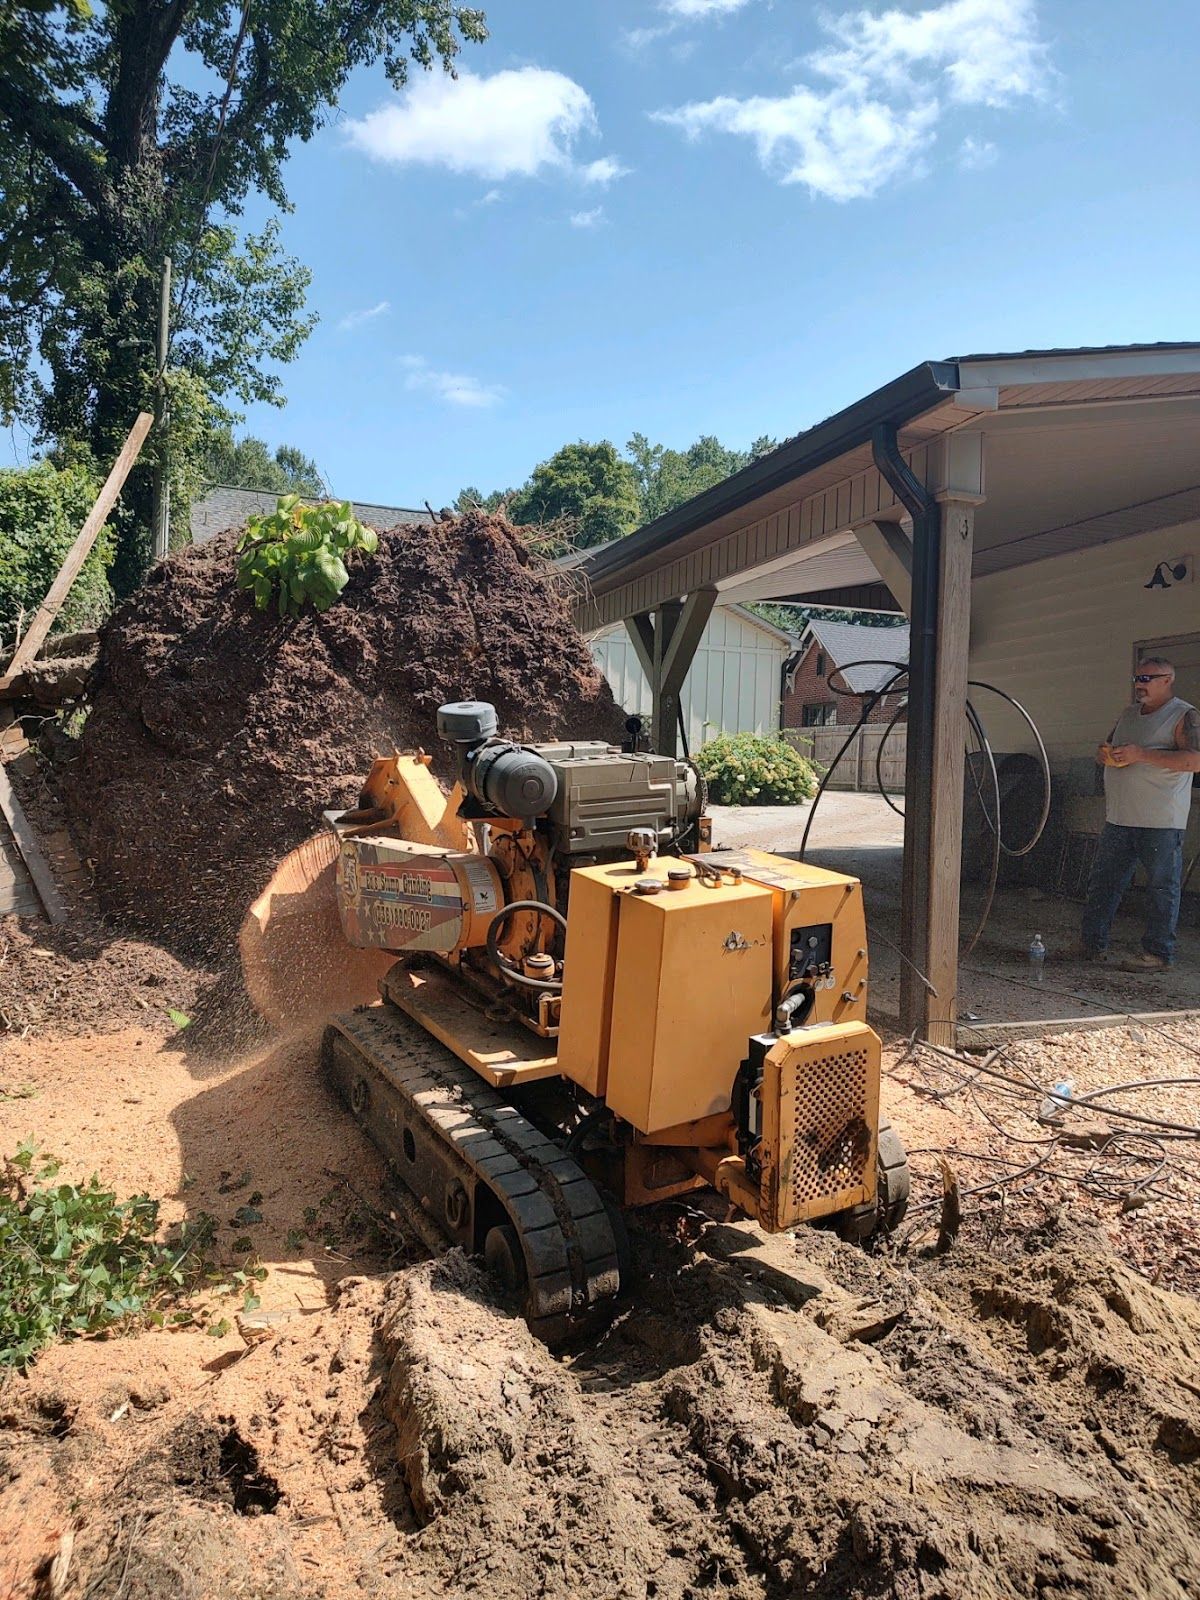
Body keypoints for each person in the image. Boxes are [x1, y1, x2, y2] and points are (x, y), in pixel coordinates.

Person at [1080, 656, 1200, 970]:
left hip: (1160, 820)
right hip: (1119, 816)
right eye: (1137, 678)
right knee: (1103, 883)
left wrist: (1141, 755)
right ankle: (1090, 944)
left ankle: (1159, 953)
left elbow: (1194, 761)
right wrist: (1106, 754)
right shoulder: (1128, 714)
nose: (1139, 685)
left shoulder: (1183, 715)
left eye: (1147, 679)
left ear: (1167, 680)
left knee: (1161, 887)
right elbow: (1107, 745)